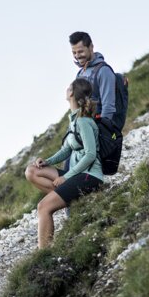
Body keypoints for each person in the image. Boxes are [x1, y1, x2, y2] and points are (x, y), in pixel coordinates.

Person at [25, 79, 103, 249]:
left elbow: (90, 155)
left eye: (68, 88)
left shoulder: (83, 121)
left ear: (72, 94)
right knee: (32, 171)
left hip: (89, 176)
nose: (66, 90)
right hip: (77, 174)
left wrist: (67, 176)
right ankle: (69, 198)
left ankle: (43, 253)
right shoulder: (74, 120)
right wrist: (47, 161)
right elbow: (66, 150)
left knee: (43, 207)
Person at [69, 31, 116, 124]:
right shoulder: (80, 74)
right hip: (85, 127)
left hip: (99, 128)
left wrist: (102, 132)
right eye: (74, 52)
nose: (77, 56)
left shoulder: (103, 71)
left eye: (80, 51)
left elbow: (108, 107)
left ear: (91, 47)